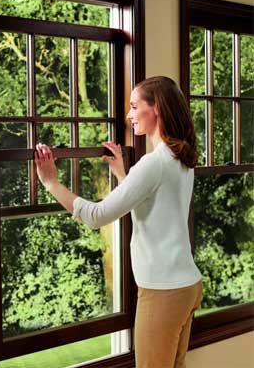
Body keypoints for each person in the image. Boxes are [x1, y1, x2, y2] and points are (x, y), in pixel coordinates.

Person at [34, 76, 203, 368]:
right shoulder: (178, 157)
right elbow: (154, 204)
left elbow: (96, 216)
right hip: (187, 285)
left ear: (157, 109)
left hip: (163, 291)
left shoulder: (154, 163)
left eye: (135, 106)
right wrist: (124, 176)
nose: (129, 115)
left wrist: (51, 183)